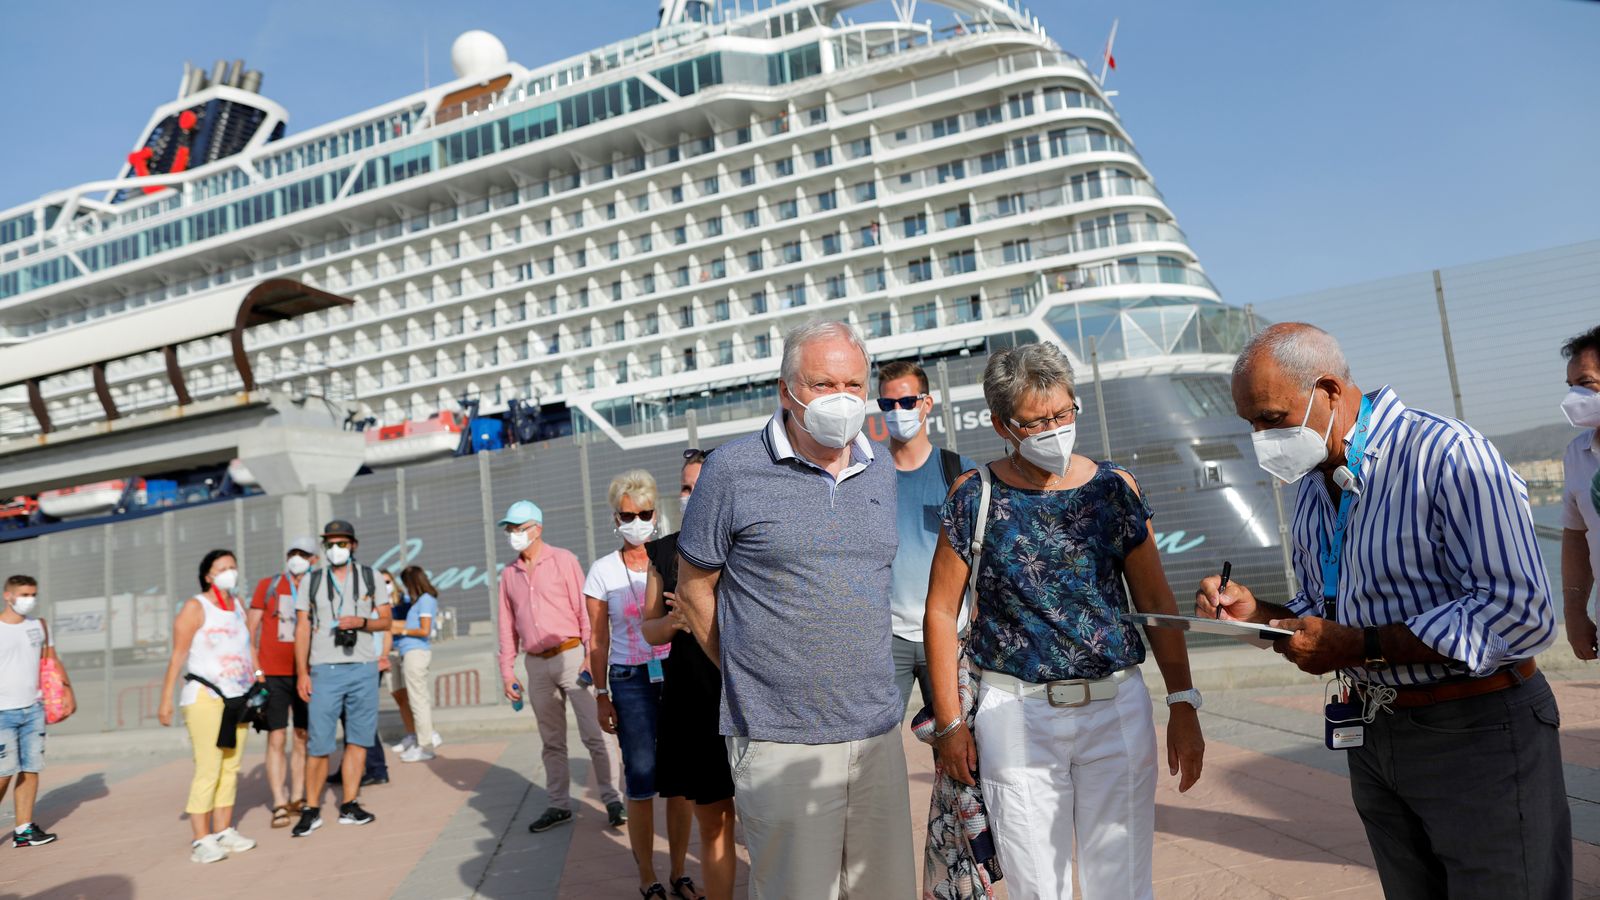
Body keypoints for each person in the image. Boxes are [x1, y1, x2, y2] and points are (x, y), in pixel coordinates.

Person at [1197, 322, 1568, 899]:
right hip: (1376, 733)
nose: (1262, 438)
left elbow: (1520, 612)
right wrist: (1259, 616)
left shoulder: (1446, 454)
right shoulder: (1312, 483)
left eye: (1271, 418)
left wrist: (1363, 646)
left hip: (1477, 729)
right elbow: (1326, 610)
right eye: (1251, 424)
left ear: (1328, 391)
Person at [922, 343, 1204, 899]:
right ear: (1003, 425)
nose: (1055, 430)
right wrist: (950, 725)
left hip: (1116, 709)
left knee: (1123, 884)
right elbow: (939, 609)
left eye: (1063, 413)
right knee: (1035, 886)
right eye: (1036, 422)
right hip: (1016, 714)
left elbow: (1156, 599)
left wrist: (1182, 702)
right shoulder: (974, 495)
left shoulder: (1114, 489)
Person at [676, 320, 916, 898]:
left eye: (853, 384)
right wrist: (745, 672)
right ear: (787, 391)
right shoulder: (731, 470)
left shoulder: (880, 466)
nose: (842, 398)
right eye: (823, 384)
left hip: (877, 732)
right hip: (779, 739)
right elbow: (694, 589)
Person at [586, 470, 692, 900]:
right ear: (615, 518)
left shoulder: (673, 557)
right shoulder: (601, 571)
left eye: (644, 514)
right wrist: (601, 694)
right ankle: (648, 876)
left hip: (676, 671)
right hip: (629, 680)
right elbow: (597, 640)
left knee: (681, 778)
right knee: (642, 778)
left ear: (656, 513)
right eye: (628, 515)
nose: (637, 522)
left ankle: (680, 872)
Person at [497, 500, 626, 833]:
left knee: (596, 733)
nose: (513, 534)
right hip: (536, 664)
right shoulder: (509, 574)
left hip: (571, 656)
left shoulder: (564, 560)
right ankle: (559, 805)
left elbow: (585, 611)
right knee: (551, 740)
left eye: (518, 528)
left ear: (537, 528)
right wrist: (507, 672)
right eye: (510, 529)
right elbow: (506, 627)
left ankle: (614, 800)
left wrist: (589, 654)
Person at [642, 449, 731, 900]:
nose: (690, 495)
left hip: (744, 691)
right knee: (713, 820)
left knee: (766, 816)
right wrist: (677, 621)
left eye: (699, 486)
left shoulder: (744, 542)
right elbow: (648, 628)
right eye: (684, 487)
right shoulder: (662, 551)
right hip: (692, 696)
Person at [877, 359, 976, 713]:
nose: (897, 411)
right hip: (888, 637)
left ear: (926, 404)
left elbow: (983, 554)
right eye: (888, 404)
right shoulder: (869, 476)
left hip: (950, 632)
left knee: (957, 735)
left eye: (907, 402)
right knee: (880, 738)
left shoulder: (959, 472)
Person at [157, 550, 261, 864]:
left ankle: (224, 830)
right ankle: (201, 839)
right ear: (208, 576)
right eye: (222, 568)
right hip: (205, 697)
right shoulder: (195, 607)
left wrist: (259, 677)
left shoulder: (238, 605)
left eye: (233, 566)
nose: (230, 572)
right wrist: (166, 699)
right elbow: (178, 655)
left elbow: (248, 646)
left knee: (231, 766)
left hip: (239, 695)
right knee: (209, 767)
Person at [291, 520, 391, 837]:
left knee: (358, 739)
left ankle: (349, 803)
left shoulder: (370, 576)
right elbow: (302, 627)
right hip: (325, 669)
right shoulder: (312, 580)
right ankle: (311, 808)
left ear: (353, 545)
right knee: (319, 742)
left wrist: (362, 621)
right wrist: (302, 672)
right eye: (331, 544)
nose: (336, 549)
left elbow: (386, 620)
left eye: (342, 543)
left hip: (363, 666)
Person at [0, 574, 74, 849]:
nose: (29, 600)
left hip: (33, 709)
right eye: (24, 595)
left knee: (31, 769)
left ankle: (23, 830)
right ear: (8, 596)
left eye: (33, 595)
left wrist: (67, 690)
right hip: (2, 712)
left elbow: (51, 660)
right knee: (3, 773)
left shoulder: (38, 626)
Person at [247, 537, 315, 828]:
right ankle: (279, 801)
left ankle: (298, 796)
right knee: (277, 737)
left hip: (306, 673)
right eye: (292, 553)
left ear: (314, 560)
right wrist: (257, 671)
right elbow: (249, 631)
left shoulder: (316, 586)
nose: (297, 558)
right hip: (272, 674)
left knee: (302, 735)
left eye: (303, 554)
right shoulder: (269, 585)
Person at [1560, 325, 1600, 660]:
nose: (1575, 397)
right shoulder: (1578, 454)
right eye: (1571, 386)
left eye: (1585, 384)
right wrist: (1574, 613)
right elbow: (1576, 536)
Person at [391, 565, 441, 762]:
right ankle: (424, 741)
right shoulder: (420, 601)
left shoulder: (426, 600)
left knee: (418, 700)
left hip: (416, 653)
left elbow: (424, 630)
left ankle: (425, 745)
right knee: (417, 699)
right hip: (411, 652)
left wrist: (401, 630)